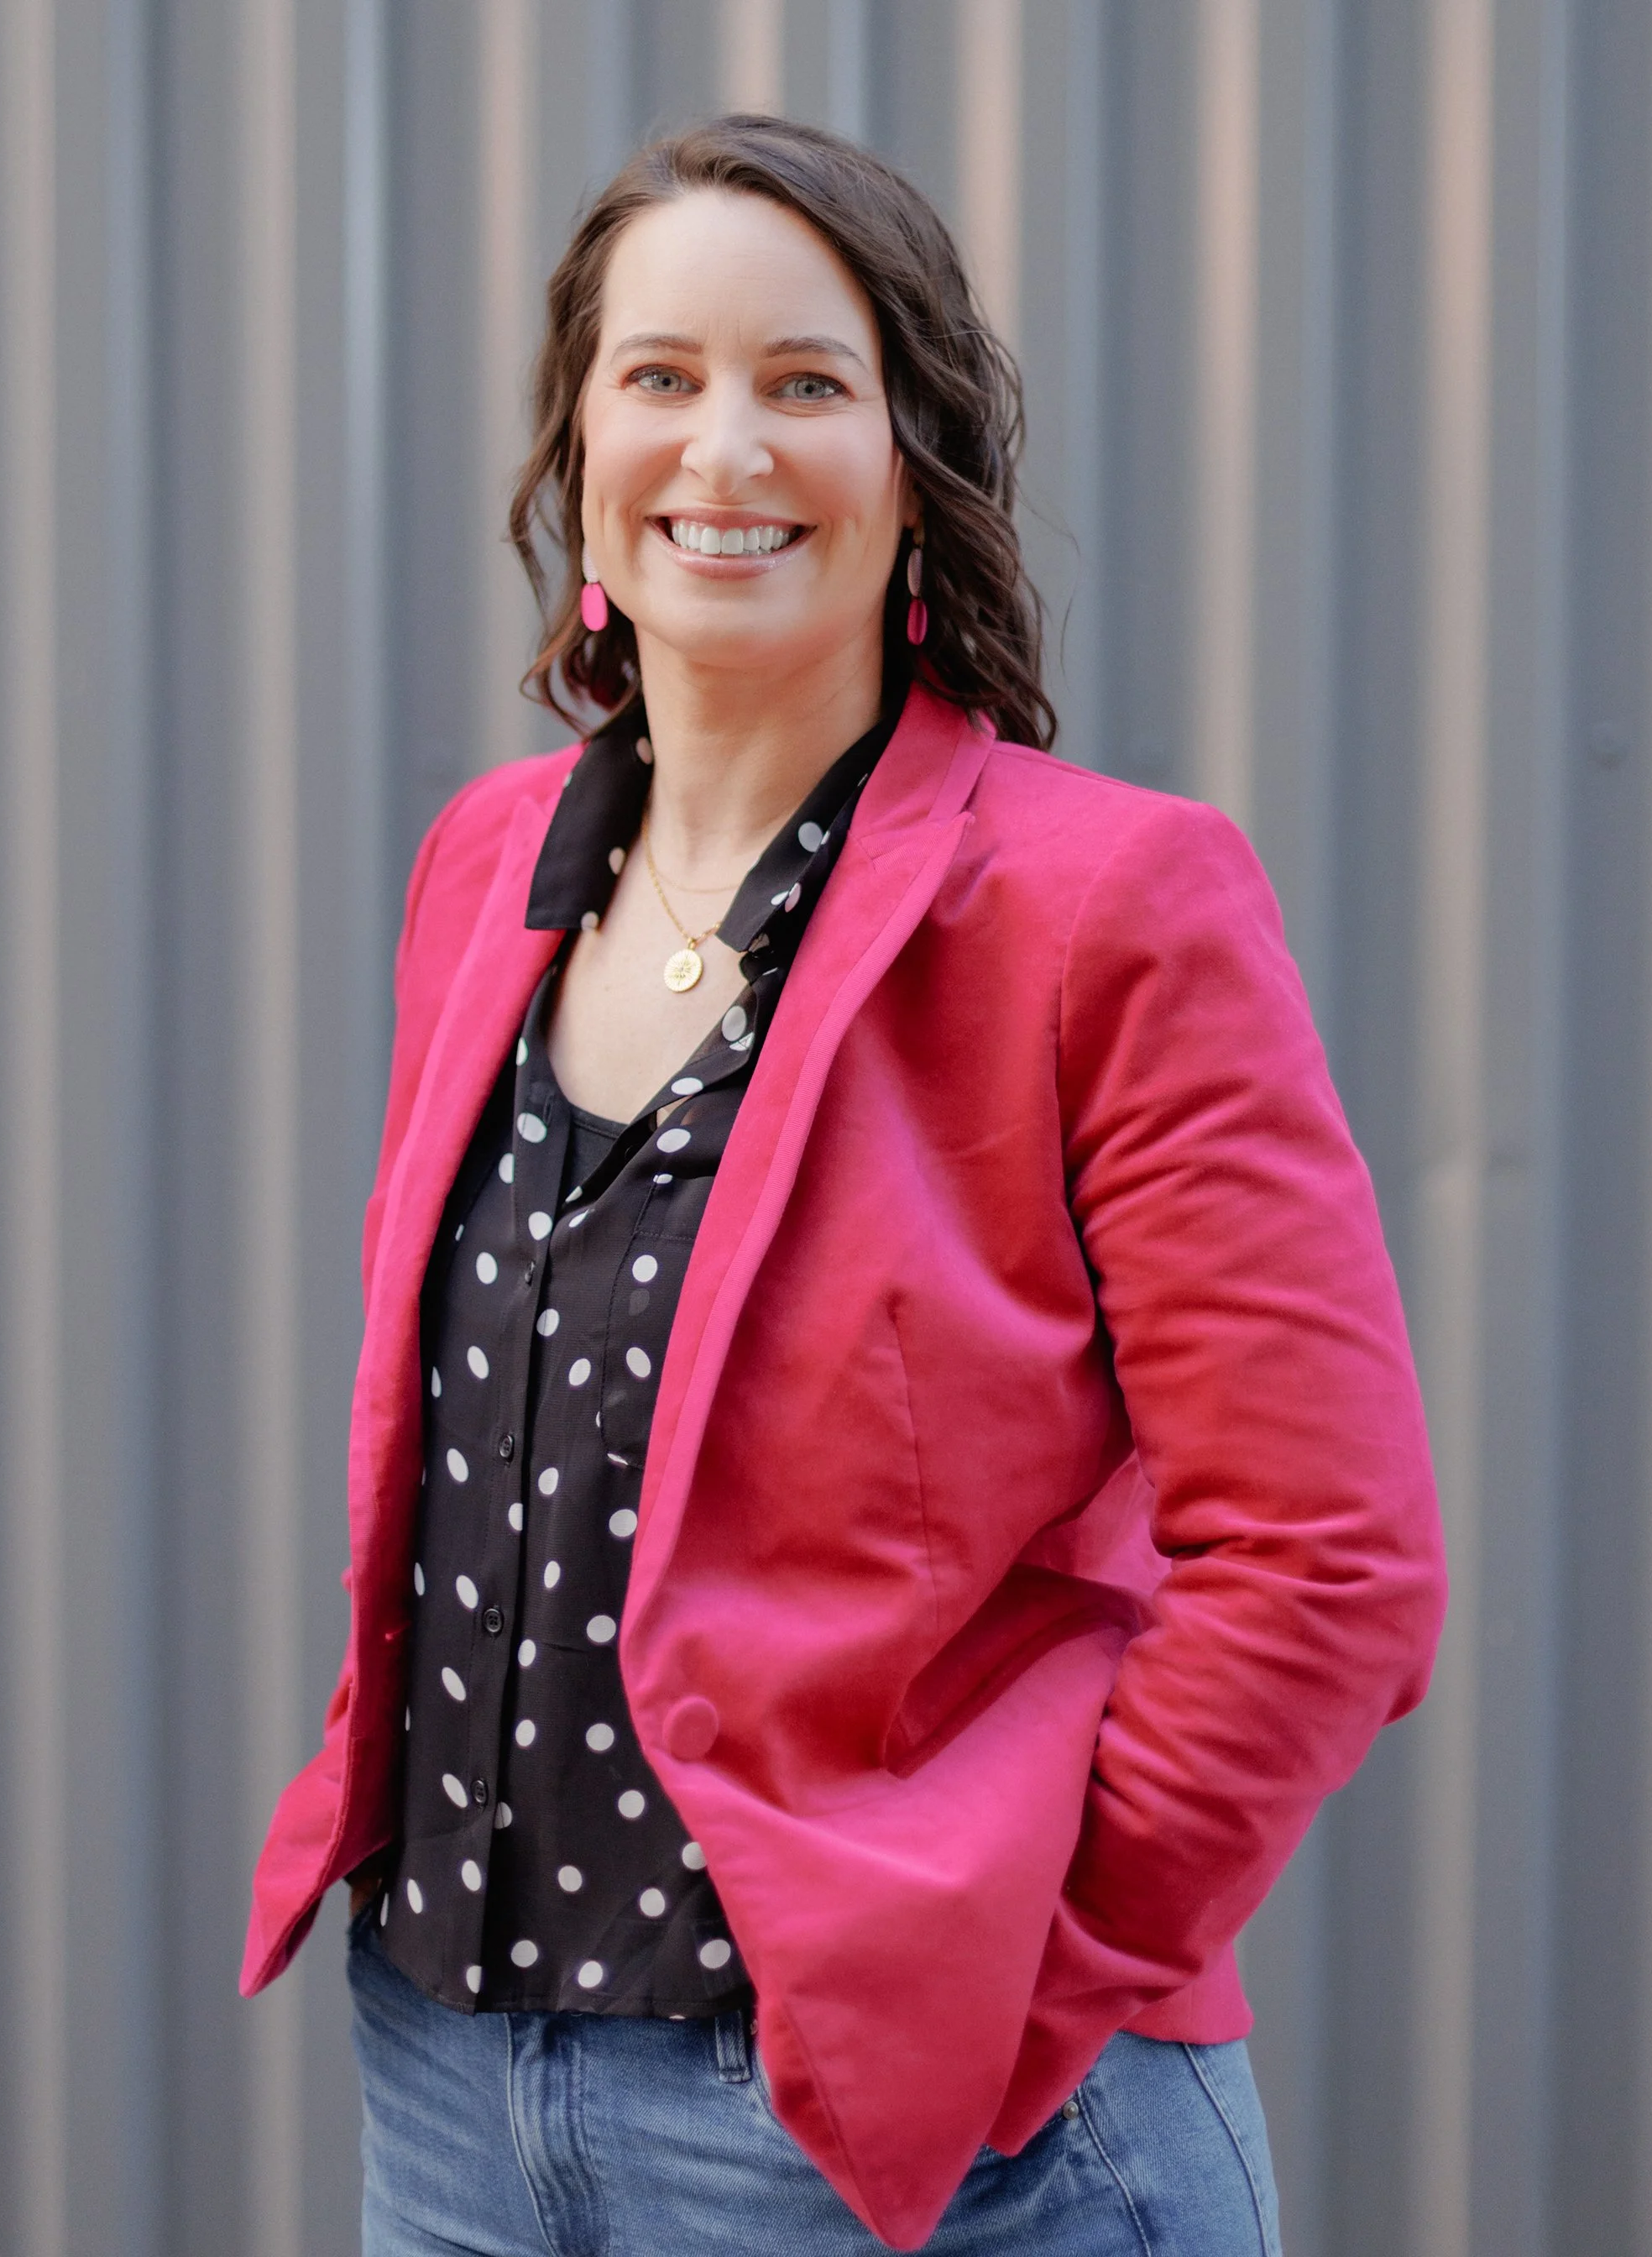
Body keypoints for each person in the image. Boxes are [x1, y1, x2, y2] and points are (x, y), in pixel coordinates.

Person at [243, 115, 1445, 2256]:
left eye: (807, 382)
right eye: (661, 376)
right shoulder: (486, 870)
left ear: (914, 465)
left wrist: (1018, 1987)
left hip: (899, 2132)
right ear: (582, 446)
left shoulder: (1107, 906)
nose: (727, 445)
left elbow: (1331, 1561)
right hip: (451, 2083)